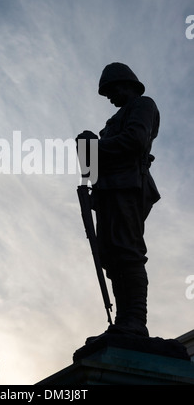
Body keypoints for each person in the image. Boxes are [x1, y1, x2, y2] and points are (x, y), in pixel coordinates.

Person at [77, 62, 160, 337]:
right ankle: (124, 321)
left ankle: (135, 320)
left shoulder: (143, 105)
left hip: (129, 186)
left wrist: (95, 146)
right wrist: (86, 149)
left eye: (111, 91)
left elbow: (136, 140)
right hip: (108, 191)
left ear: (126, 84)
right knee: (111, 256)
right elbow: (91, 170)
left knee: (128, 251)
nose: (110, 99)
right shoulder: (112, 122)